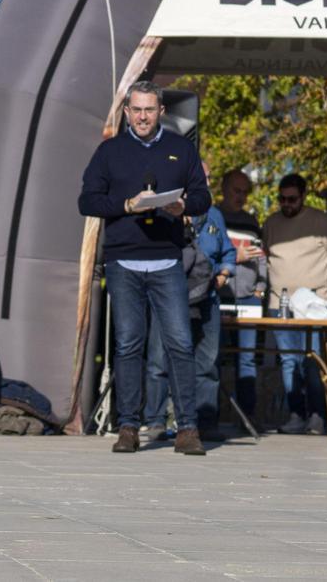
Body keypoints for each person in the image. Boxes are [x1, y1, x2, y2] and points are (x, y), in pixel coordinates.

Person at [77, 80, 212, 455]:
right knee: (128, 344)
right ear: (126, 112)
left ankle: (186, 428)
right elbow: (87, 200)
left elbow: (203, 196)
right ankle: (129, 427)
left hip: (168, 260)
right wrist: (125, 207)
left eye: (149, 110)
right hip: (124, 261)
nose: (142, 117)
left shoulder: (181, 149)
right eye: (136, 109)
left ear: (161, 112)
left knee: (180, 343)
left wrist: (183, 206)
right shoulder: (109, 152)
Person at [145, 161, 235, 441]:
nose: (205, 182)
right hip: (169, 296)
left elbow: (228, 253)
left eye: (208, 178)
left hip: (207, 296)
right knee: (160, 360)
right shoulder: (162, 212)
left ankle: (204, 420)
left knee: (207, 362)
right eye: (201, 178)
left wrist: (224, 275)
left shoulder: (214, 215)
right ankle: (156, 421)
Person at [262, 173, 327, 435]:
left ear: (303, 197)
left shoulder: (322, 223)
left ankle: (317, 416)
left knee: (314, 362)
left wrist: (326, 292)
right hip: (280, 304)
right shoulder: (271, 223)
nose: (286, 204)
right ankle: (296, 414)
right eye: (281, 199)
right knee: (289, 361)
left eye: (292, 199)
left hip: (314, 305)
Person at [217, 168, 267, 421]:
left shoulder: (251, 222)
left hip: (248, 297)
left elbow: (262, 258)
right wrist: (236, 256)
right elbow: (206, 255)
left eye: (245, 192)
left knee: (246, 359)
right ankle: (208, 415)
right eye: (237, 191)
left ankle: (247, 416)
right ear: (223, 189)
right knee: (212, 356)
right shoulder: (213, 217)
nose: (241, 197)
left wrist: (260, 288)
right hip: (218, 294)